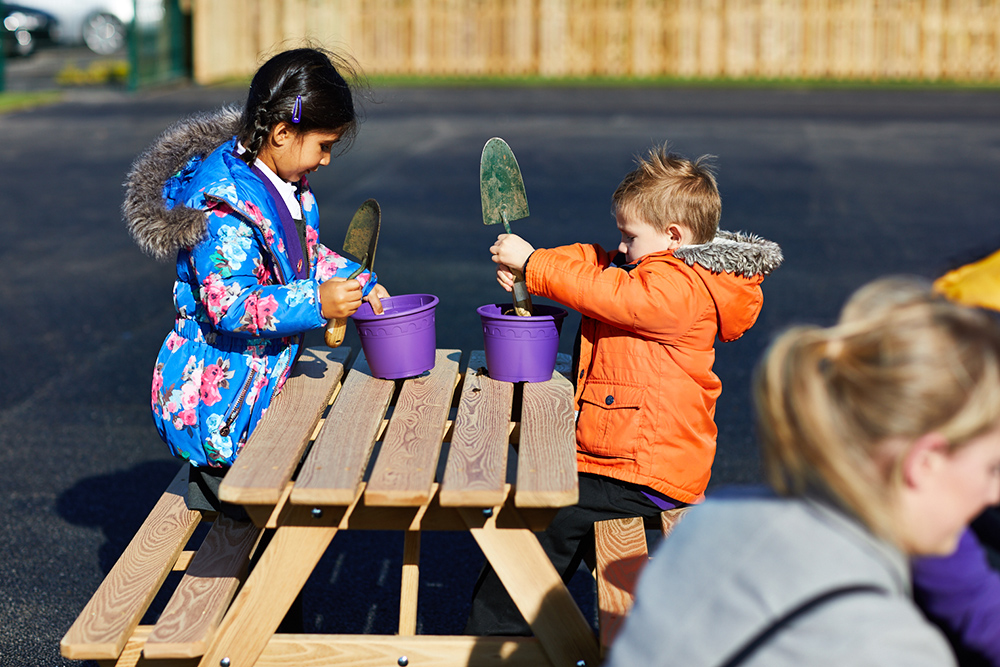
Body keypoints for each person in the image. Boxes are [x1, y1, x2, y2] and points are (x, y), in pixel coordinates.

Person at [465, 143, 783, 634]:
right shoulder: (657, 266)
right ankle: (625, 627)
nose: (623, 247)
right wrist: (535, 258)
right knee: (576, 534)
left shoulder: (680, 289)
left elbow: (613, 294)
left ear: (673, 237)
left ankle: (497, 638)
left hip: (641, 468)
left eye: (630, 236)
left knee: (544, 519)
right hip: (630, 458)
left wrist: (535, 266)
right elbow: (596, 261)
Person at [605, 276, 1000, 667]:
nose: (994, 495)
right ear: (924, 463)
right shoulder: (888, 645)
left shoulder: (716, 518)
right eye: (992, 468)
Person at [123, 48, 389, 517]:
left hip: (258, 386)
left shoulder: (282, 181)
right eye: (324, 146)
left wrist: (354, 280)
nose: (326, 160)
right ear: (283, 133)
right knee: (263, 531)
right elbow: (232, 304)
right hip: (217, 404)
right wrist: (318, 301)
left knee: (273, 529)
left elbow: (300, 257)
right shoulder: (222, 207)